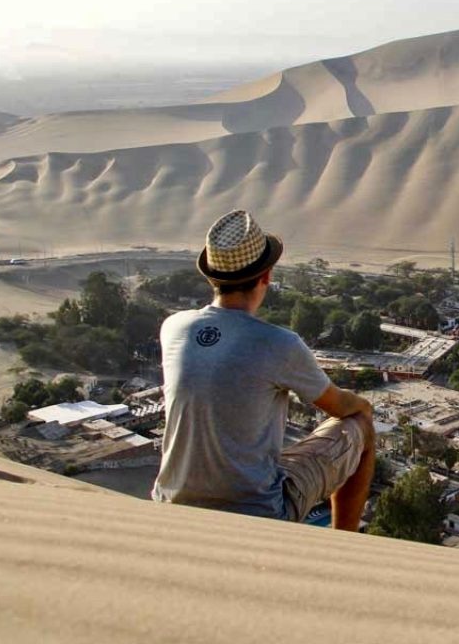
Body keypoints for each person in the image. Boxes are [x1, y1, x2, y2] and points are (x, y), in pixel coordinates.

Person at [152, 210, 376, 531]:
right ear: (266, 276)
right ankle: (344, 542)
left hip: (171, 503)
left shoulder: (173, 327)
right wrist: (363, 406)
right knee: (361, 426)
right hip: (259, 513)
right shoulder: (278, 343)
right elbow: (337, 406)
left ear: (211, 277)